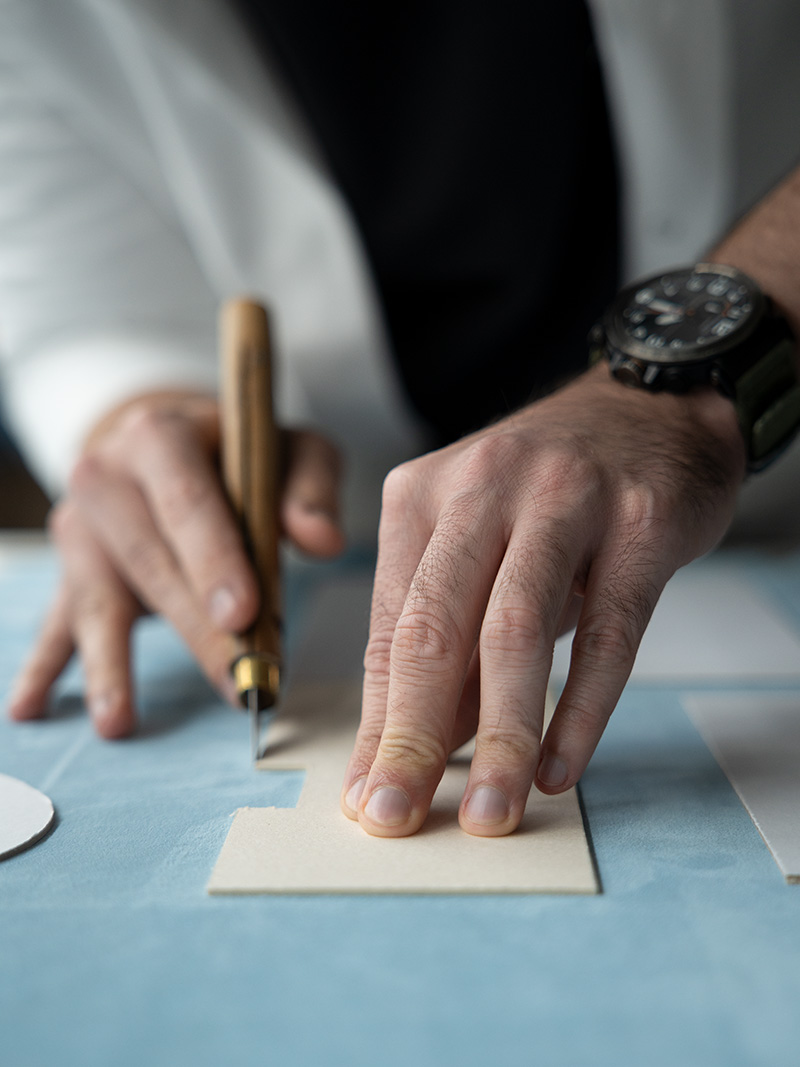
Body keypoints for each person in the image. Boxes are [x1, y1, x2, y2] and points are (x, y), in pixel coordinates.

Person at [2, 0, 800, 839]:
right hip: (338, 546)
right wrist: (144, 410)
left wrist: (690, 385)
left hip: (765, 506)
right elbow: (82, 289)